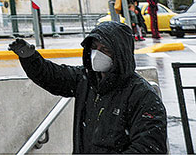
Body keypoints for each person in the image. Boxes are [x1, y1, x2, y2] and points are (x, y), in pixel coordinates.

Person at [9, 21, 167, 153]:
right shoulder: (86, 80)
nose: (97, 54)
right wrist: (30, 59)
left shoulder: (142, 95)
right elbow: (53, 77)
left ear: (120, 54)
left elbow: (148, 147)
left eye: (105, 50)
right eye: (94, 48)